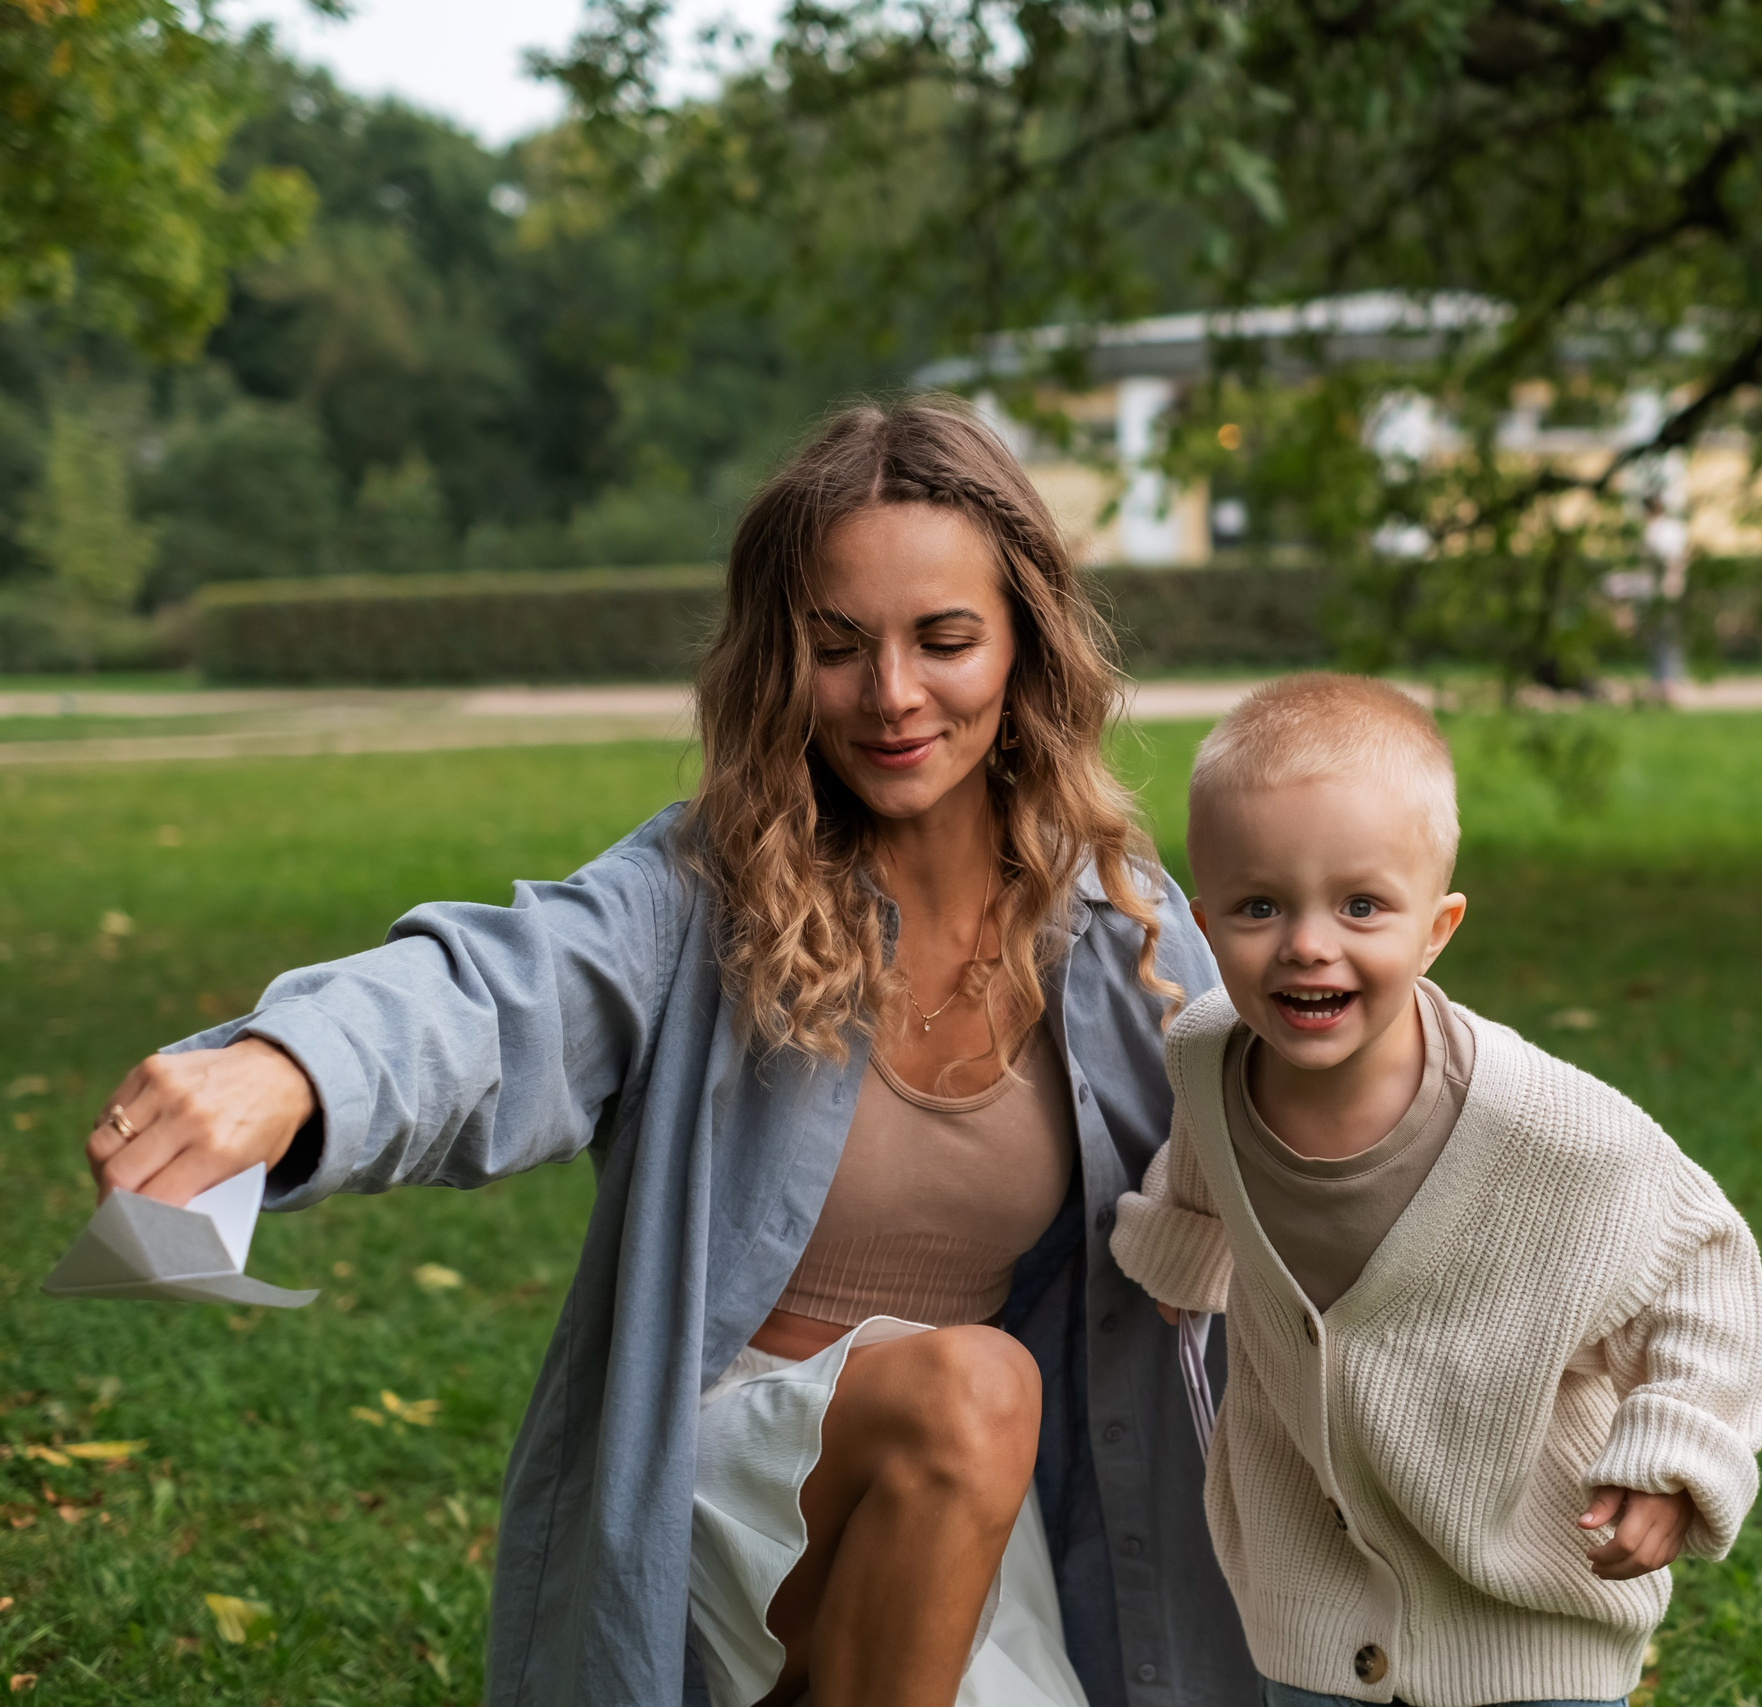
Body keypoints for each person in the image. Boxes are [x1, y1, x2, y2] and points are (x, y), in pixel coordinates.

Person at [78, 397, 1254, 1707]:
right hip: (728, 1464)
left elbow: (1280, 1134)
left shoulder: (1120, 920)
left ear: (1025, 642)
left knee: (982, 1402)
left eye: (945, 638)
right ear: (777, 654)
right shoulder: (705, 890)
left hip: (977, 1494)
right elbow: (499, 992)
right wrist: (291, 1064)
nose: (893, 694)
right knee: (974, 1385)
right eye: (838, 645)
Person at [1110, 674, 1762, 1707]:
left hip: (1522, 1600)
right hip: (1311, 1603)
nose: (1307, 943)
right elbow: (1202, 1156)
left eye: (1362, 905)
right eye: (1258, 906)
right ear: (1202, 924)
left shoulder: (1547, 1127)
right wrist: (1185, 1252)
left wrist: (1674, 1456)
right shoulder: (1203, 1053)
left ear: (1438, 926)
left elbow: (1702, 1262)